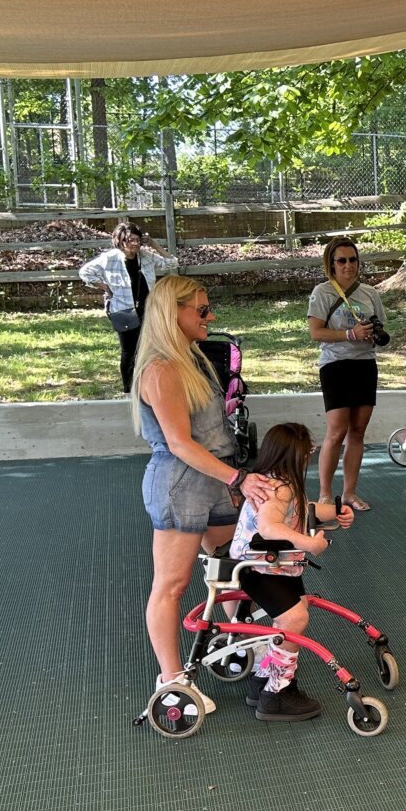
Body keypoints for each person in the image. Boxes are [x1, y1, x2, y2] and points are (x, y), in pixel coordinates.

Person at [133, 277, 277, 703]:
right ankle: (172, 681)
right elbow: (180, 442)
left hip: (212, 478)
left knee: (232, 561)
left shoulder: (190, 359)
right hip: (180, 484)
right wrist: (238, 479)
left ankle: (238, 638)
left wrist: (233, 474)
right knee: (171, 585)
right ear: (171, 313)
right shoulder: (160, 368)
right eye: (200, 310)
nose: (210, 316)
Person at [227, 422, 358, 722]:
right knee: (294, 619)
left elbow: (302, 507)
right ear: (294, 456)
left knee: (290, 618)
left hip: (271, 566)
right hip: (258, 568)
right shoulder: (279, 489)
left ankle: (263, 680)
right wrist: (310, 544)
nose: (308, 457)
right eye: (307, 452)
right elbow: (269, 526)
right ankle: (277, 693)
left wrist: (335, 512)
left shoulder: (277, 481)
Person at [307, 237, 385, 511]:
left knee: (358, 431)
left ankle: (349, 493)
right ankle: (326, 494)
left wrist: (372, 335)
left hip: (364, 364)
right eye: (342, 260)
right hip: (335, 365)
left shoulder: (370, 293)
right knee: (337, 430)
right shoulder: (322, 293)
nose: (348, 265)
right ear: (331, 264)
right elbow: (316, 332)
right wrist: (349, 334)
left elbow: (381, 329)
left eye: (353, 260)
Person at [79, 219, 177, 392]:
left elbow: (172, 263)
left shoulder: (145, 256)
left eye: (138, 240)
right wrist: (103, 286)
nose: (135, 243)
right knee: (129, 351)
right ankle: (129, 389)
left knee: (150, 350)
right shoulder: (110, 259)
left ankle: (148, 387)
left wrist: (154, 244)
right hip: (123, 310)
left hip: (147, 309)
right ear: (120, 241)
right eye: (130, 240)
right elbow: (85, 272)